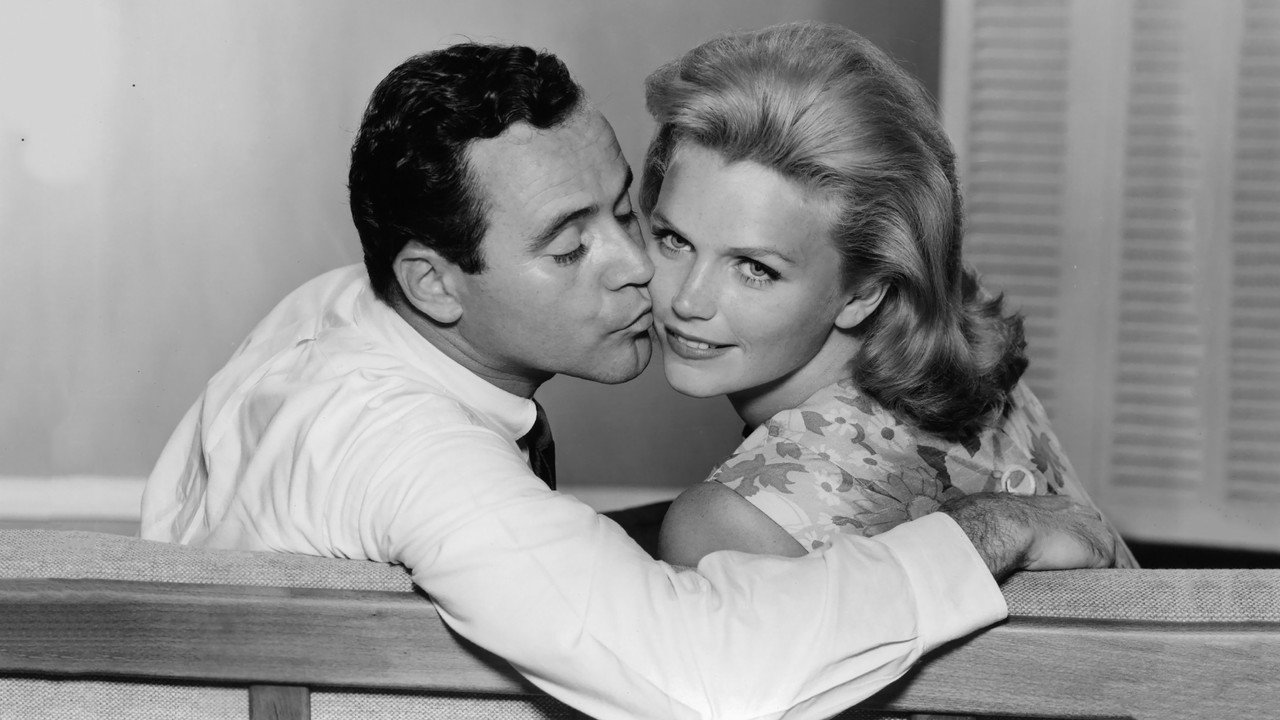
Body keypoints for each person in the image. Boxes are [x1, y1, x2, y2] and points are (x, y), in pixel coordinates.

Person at [141, 41, 1116, 720]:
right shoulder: (418, 456)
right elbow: (704, 676)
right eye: (571, 247)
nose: (642, 273)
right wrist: (995, 529)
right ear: (431, 282)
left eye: (625, 213)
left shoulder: (326, 311)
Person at [642, 22, 1137, 570]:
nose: (688, 301)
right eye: (674, 240)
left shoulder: (727, 527)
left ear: (865, 292)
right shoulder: (967, 352)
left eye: (756, 269)